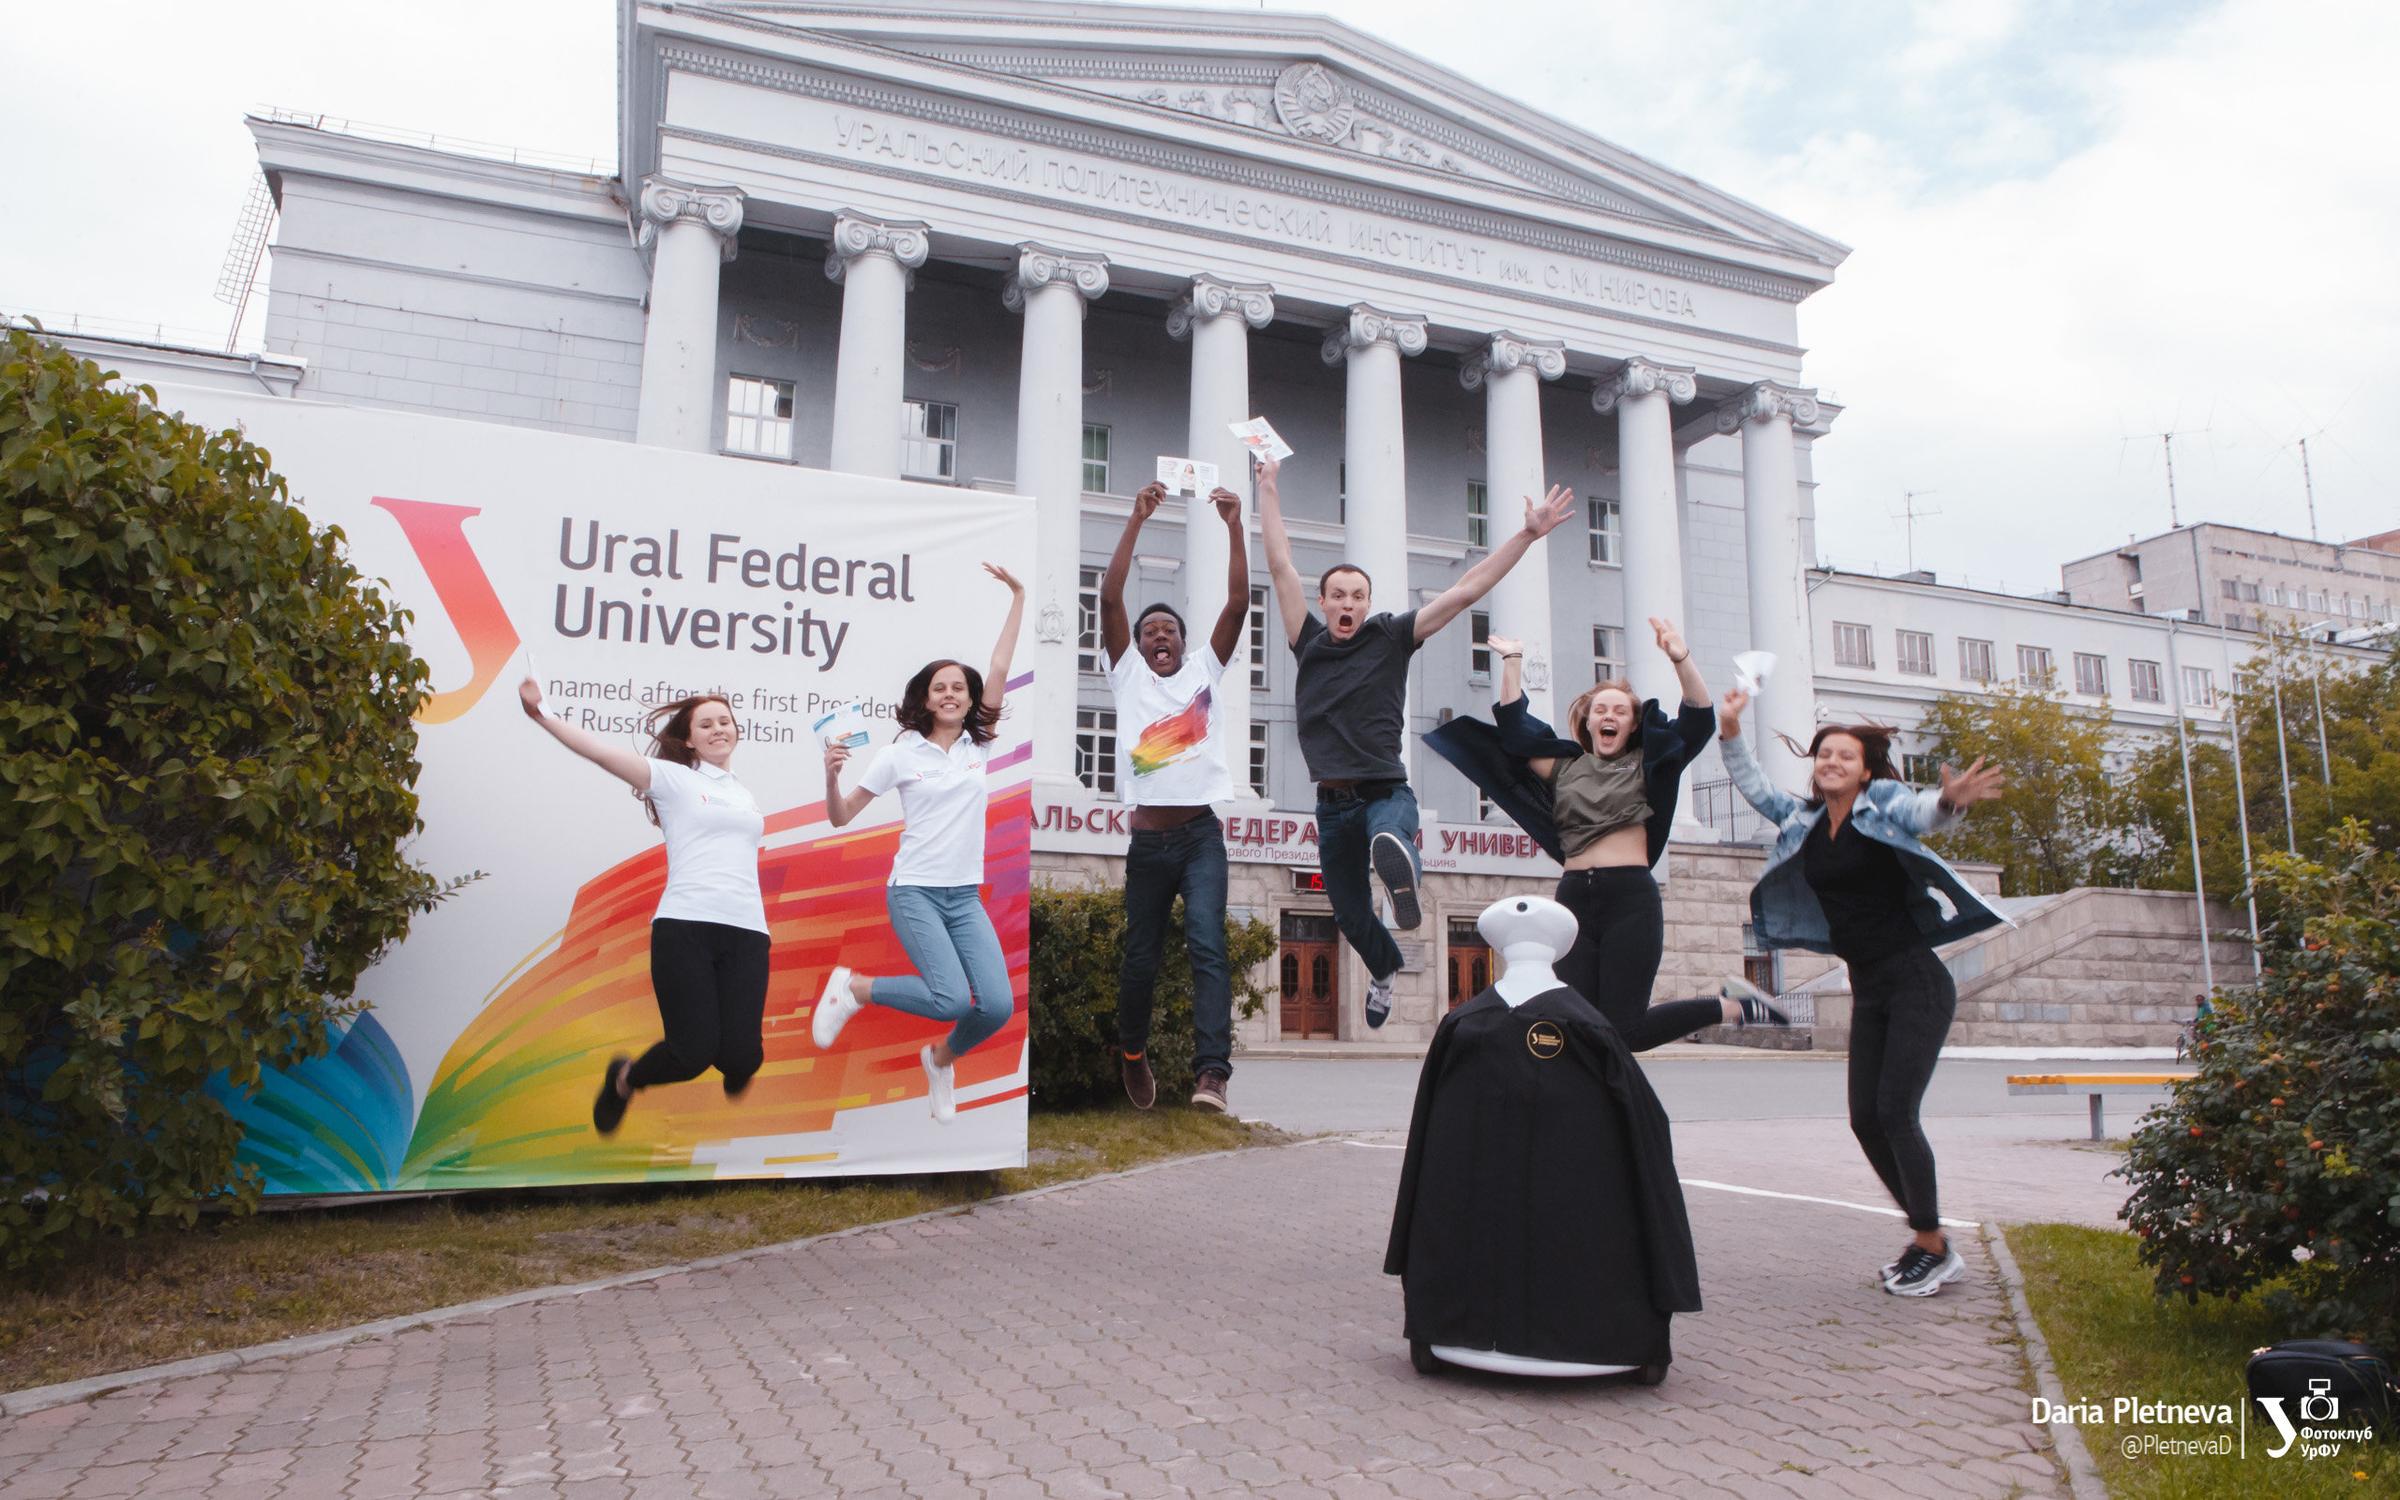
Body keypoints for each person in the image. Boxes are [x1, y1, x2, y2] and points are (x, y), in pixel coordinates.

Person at [1256, 454, 1575, 1029]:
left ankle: (1403, 868)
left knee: (1387, 830)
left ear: (1367, 603)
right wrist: (1269, 487)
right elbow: (1280, 564)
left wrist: (1527, 535)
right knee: (1350, 916)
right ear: (1323, 602)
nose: (1348, 604)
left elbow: (1463, 591)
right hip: (1330, 805)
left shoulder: (1392, 635)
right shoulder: (1307, 641)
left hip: (1384, 789)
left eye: (1358, 595)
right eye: (1338, 595)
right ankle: (1385, 968)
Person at [1716, 690, 2006, 1296]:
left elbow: (1925, 810)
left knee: (1896, 1113)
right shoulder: (1803, 820)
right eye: (1824, 755)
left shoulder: (1884, 803)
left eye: (1845, 756)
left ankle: (1931, 1244)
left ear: (1865, 768)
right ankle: (1929, 1237)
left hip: (1916, 981)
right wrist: (1731, 731)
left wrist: (1949, 802)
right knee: (1864, 1120)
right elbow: (1754, 788)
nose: (1831, 762)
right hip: (1869, 985)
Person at [1425, 618, 1788, 1049]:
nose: (1609, 716)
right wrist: (1513, 661)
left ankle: (1733, 1007)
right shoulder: (1565, 767)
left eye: (1620, 710)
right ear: (1589, 721)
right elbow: (1516, 731)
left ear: (1633, 724)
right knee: (1582, 1024)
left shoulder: (1648, 763)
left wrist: (1680, 657)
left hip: (1630, 897)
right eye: (1601, 710)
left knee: (1626, 1031)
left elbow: (1697, 719)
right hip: (1574, 896)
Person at [810, 565, 1026, 1123]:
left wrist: (1019, 596)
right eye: (941, 688)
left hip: (964, 896)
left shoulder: (980, 745)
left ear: (969, 697)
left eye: (959, 687)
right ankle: (855, 988)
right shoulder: (901, 752)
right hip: (916, 893)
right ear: (926, 699)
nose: (951, 694)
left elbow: (1000, 665)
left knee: (996, 1006)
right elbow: (841, 817)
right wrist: (831, 778)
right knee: (950, 998)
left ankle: (940, 1057)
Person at [517, 681, 769, 1136]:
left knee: (744, 1058)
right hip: (686, 927)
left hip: (747, 931)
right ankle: (625, 1079)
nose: (718, 729)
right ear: (689, 738)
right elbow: (598, 751)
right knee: (692, 1054)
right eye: (706, 724)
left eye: (725, 722)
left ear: (737, 731)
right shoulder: (673, 779)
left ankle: (736, 1060)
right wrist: (543, 716)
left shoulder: (745, 794)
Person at [1100, 477, 1248, 1112]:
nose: (1159, 637)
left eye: (1169, 631)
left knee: (1208, 944)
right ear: (1136, 645)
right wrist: (1135, 520)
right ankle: (1132, 1054)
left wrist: (1235, 526)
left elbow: (1239, 603)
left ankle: (1211, 1075)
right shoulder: (1126, 673)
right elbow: (1109, 596)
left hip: (1200, 837)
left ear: (1183, 644)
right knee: (1141, 959)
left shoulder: (1202, 672)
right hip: (1149, 842)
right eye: (1150, 630)